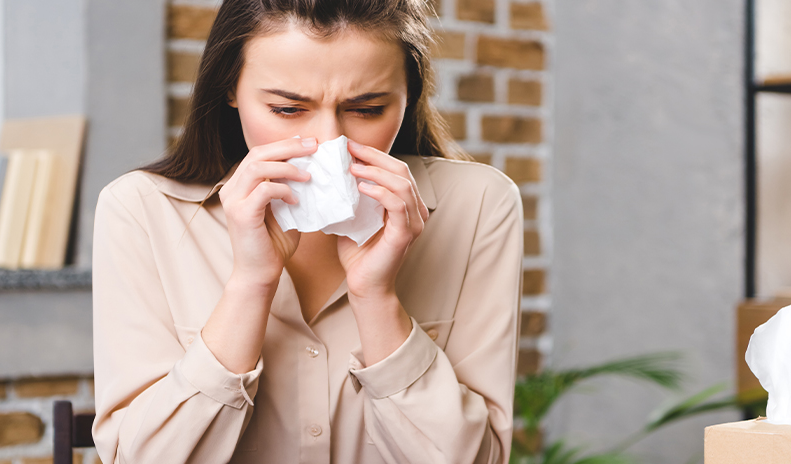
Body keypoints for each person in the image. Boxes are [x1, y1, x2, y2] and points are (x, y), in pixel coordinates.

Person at [90, 0, 522, 462]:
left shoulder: (478, 206)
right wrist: (250, 284)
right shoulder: (141, 210)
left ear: (407, 97)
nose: (328, 144)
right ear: (230, 90)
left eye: (367, 109)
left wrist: (376, 299)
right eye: (287, 109)